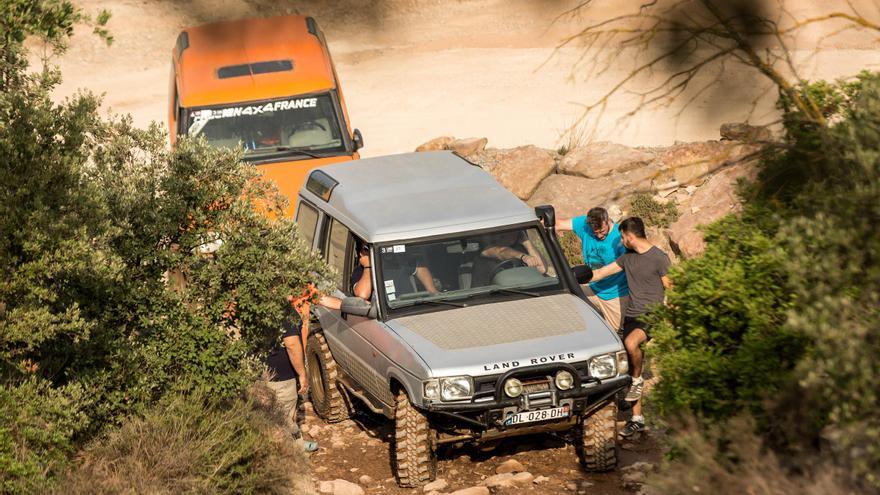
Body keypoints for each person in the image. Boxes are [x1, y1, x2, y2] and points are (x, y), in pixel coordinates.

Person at [587, 217, 671, 437]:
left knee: (631, 343)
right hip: (632, 316)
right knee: (633, 364)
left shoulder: (659, 258)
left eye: (622, 236)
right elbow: (601, 273)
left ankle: (636, 382)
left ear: (630, 236)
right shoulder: (627, 259)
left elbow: (671, 287)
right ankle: (637, 418)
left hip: (652, 315)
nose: (621, 240)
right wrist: (571, 278)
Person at [556, 207, 630, 331]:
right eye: (595, 232)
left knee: (616, 335)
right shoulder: (584, 225)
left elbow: (622, 265)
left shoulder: (619, 238)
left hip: (614, 294)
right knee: (560, 295)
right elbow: (557, 224)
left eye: (601, 231)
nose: (599, 235)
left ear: (607, 220)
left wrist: (588, 276)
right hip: (591, 287)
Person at [265, 310, 319, 452]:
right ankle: (291, 455)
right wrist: (302, 373)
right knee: (284, 419)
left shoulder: (251, 302)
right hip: (281, 378)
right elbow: (292, 345)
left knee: (266, 416)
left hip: (260, 374)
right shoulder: (283, 310)